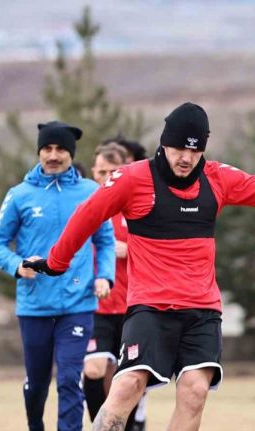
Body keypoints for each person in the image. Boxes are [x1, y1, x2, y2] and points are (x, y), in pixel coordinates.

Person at [23, 102, 255, 431]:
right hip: (151, 306)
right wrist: (56, 262)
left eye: (195, 150)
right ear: (164, 144)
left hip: (201, 308)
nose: (186, 158)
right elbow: (87, 216)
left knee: (195, 391)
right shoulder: (132, 178)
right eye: (179, 149)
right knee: (128, 384)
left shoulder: (217, 178)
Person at [0, 121, 116, 431]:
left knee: (70, 378)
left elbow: (105, 240)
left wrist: (105, 276)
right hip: (35, 306)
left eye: (60, 149)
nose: (53, 155)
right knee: (37, 384)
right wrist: (17, 265)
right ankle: (35, 425)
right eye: (47, 148)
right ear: (39, 152)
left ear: (71, 153)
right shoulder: (20, 195)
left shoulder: (91, 192)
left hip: (78, 304)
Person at [84, 144, 147, 431]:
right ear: (93, 173)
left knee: (128, 379)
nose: (106, 177)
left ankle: (128, 426)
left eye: (112, 171)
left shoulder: (137, 208)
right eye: (101, 172)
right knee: (93, 369)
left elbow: (160, 246)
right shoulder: (87, 207)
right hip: (95, 305)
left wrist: (130, 248)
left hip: (133, 307)